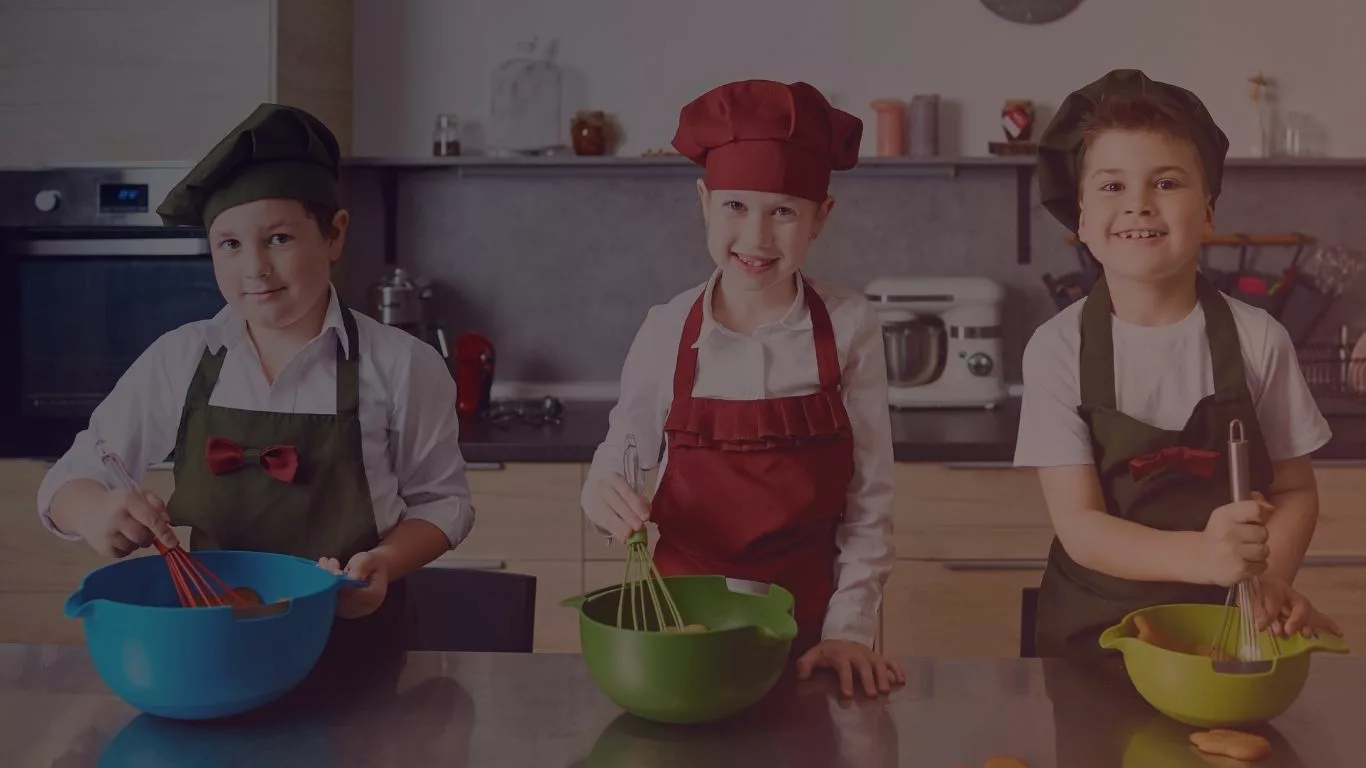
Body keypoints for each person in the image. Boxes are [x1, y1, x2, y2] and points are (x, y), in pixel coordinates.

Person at [36, 103, 474, 664]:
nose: (256, 268)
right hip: (214, 648)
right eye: (230, 245)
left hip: (353, 649)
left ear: (334, 234)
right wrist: (98, 513)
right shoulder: (180, 359)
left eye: (280, 238)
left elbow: (443, 504)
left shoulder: (402, 365)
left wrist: (386, 563)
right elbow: (67, 483)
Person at [579, 79, 903, 698]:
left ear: (820, 218)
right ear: (704, 201)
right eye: (735, 207)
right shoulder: (666, 328)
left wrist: (850, 630)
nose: (755, 238)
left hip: (810, 636)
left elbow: (870, 503)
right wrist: (600, 496)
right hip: (678, 632)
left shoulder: (850, 326)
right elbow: (619, 457)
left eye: (782, 211)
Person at [1015, 69, 1343, 664]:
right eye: (1112, 186)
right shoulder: (1055, 349)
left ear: (1209, 212)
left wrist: (1270, 578)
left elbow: (1295, 490)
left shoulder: (1258, 339)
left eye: (1166, 182)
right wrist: (1200, 556)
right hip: (1091, 641)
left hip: (1224, 634)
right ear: (1081, 221)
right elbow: (1080, 524)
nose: (1139, 202)